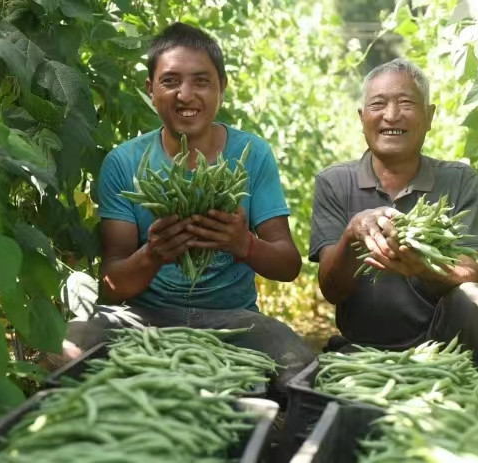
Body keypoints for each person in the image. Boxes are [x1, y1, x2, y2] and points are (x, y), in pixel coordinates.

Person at [61, 22, 314, 395]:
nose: (185, 94)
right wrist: (154, 255)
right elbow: (112, 286)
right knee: (64, 350)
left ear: (221, 88)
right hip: (143, 319)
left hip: (235, 323)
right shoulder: (124, 163)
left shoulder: (252, 155)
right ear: (150, 89)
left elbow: (288, 265)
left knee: (303, 370)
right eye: (170, 81)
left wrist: (244, 244)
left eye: (201, 81)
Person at [309, 58, 478, 404]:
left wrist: (423, 265)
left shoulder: (458, 180)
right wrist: (352, 233)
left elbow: (474, 269)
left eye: (406, 103)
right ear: (362, 118)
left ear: (430, 116)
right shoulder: (335, 182)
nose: (391, 115)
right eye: (379, 104)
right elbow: (331, 289)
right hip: (365, 350)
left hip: (445, 343)